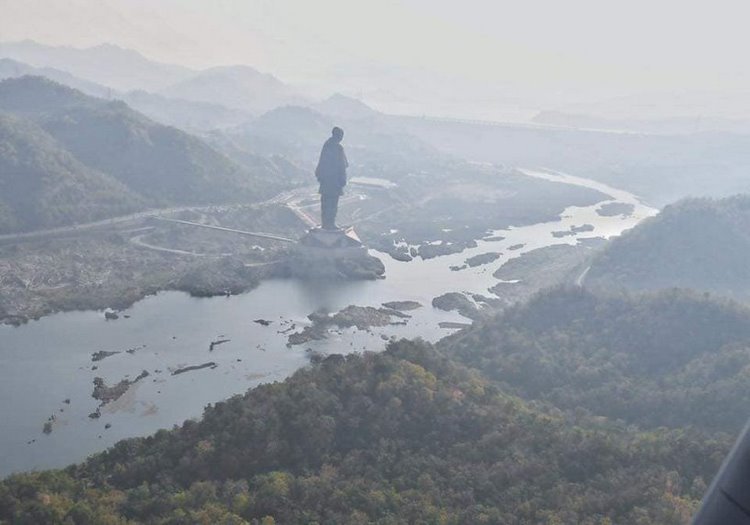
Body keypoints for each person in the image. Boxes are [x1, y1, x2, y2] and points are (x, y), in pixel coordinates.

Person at [315, 126, 348, 230]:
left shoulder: (327, 145)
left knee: (325, 203)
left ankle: (326, 223)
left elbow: (322, 163)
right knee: (332, 204)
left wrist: (320, 176)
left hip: (326, 181)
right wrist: (342, 180)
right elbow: (342, 165)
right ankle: (330, 224)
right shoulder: (337, 148)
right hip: (334, 182)